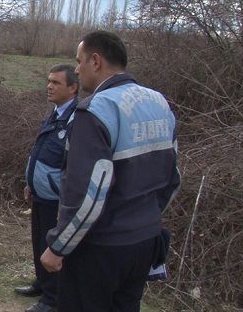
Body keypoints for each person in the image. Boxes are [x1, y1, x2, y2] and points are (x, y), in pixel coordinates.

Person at [40, 30, 181, 312]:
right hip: (144, 242)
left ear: (96, 61)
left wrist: (59, 246)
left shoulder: (95, 111)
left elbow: (88, 195)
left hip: (100, 248)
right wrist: (146, 218)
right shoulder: (159, 103)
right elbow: (172, 179)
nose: (77, 70)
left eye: (79, 62)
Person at [15, 64, 79, 312]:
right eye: (48, 81)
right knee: (39, 242)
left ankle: (52, 299)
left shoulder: (76, 119)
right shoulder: (55, 113)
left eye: (56, 83)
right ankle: (42, 283)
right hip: (41, 194)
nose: (49, 86)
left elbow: (72, 164)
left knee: (54, 246)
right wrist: (31, 184)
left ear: (73, 88)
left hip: (57, 198)